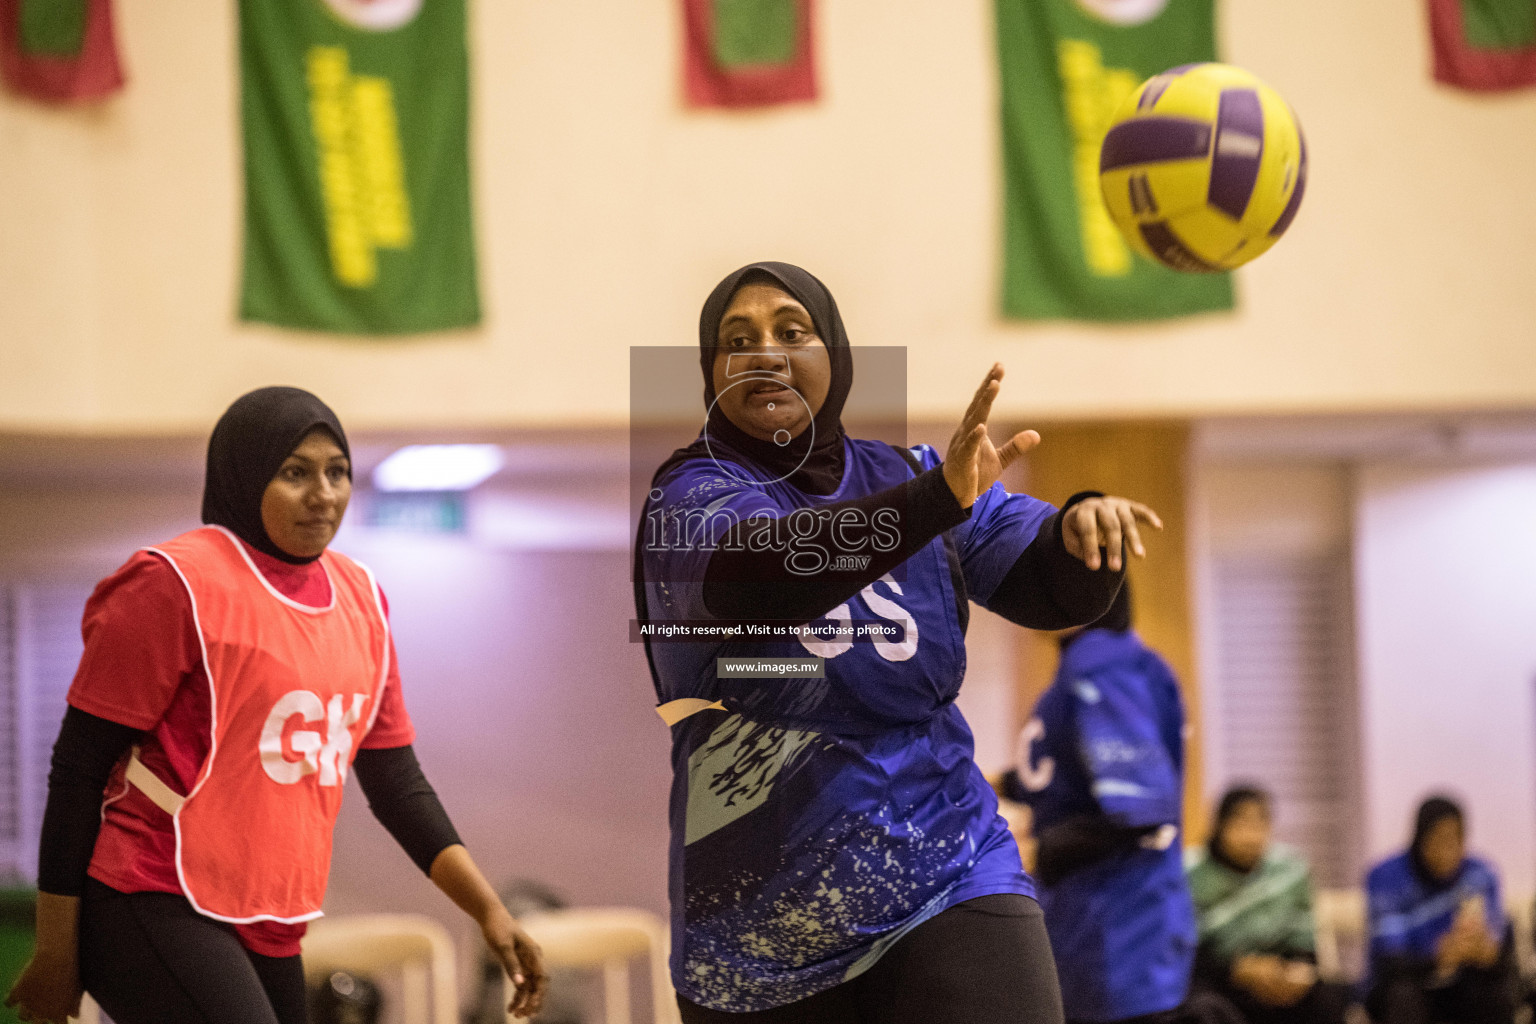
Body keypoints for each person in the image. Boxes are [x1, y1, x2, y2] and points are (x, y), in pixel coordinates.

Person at [635, 261, 1162, 1024]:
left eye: (792, 331)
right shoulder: (687, 498)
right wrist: (930, 504)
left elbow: (1044, 583)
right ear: (710, 374)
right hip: (759, 926)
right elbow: (763, 571)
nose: (765, 352)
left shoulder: (916, 475)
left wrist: (1082, 533)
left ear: (836, 356)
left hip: (946, 865)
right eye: (737, 340)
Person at [4, 388, 547, 1024]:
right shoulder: (172, 584)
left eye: (336, 471)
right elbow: (77, 769)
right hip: (147, 891)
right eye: (295, 472)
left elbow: (398, 784)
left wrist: (488, 910)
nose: (323, 493)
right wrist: (56, 950)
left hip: (268, 914)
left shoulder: (363, 599)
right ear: (245, 474)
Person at [1004, 581, 1224, 1024]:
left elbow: (1140, 809)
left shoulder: (1101, 668)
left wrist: (1037, 853)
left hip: (1119, 933)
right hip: (1098, 929)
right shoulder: (1097, 663)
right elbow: (1065, 775)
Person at [1185, 785, 1350, 1024]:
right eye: (1241, 823)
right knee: (1203, 1008)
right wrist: (1240, 969)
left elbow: (1304, 941)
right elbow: (1184, 953)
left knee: (1330, 996)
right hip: (1220, 979)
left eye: (1259, 823)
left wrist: (1293, 972)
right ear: (1219, 825)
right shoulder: (1190, 873)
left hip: (1278, 977)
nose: (1251, 835)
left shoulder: (1290, 870)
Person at [1364, 795, 1517, 1024]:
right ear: (1419, 839)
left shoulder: (1480, 874)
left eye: (1455, 840)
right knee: (1403, 996)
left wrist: (1486, 952)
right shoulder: (1386, 876)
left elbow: (1500, 947)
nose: (1448, 851)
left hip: (1460, 983)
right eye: (1438, 840)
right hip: (1403, 984)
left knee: (1494, 994)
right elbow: (1390, 962)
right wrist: (1438, 956)